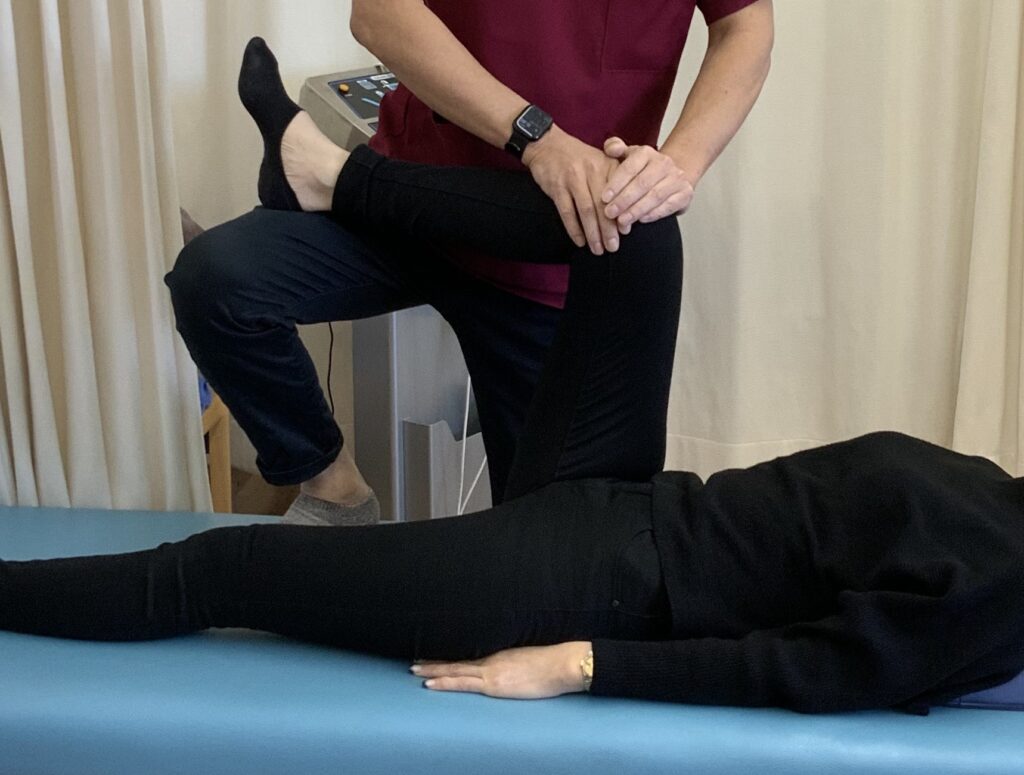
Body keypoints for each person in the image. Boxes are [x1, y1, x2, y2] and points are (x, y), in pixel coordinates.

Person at [5, 115, 1023, 713]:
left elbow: (806, 669)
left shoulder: (1000, 587)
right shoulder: (1000, 499)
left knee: (224, 570)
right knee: (634, 217)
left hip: (596, 585)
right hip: (635, 490)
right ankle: (335, 177)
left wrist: (578, 665)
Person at [165, 0, 774, 525]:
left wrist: (679, 165)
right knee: (215, 281)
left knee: (556, 546)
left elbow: (745, 26)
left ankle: (325, 173)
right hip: (407, 201)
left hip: (555, 259)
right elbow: (378, 13)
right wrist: (537, 138)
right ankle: (335, 491)